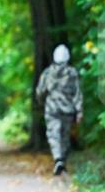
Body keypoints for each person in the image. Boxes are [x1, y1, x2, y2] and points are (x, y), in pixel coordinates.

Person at [35, 44, 83, 176]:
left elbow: (40, 91)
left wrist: (41, 102)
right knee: (65, 136)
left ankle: (58, 159)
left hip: (52, 108)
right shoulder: (72, 73)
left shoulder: (48, 72)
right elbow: (77, 93)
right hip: (68, 109)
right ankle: (62, 161)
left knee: (53, 135)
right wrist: (79, 111)